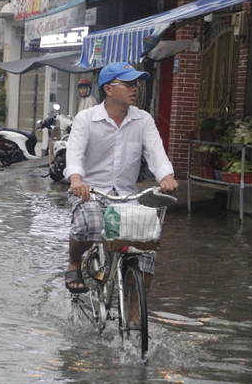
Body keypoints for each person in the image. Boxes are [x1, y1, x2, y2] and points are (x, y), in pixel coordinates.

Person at [64, 62, 179, 294]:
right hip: (91, 192)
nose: (134, 88)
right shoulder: (86, 118)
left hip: (127, 196)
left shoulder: (143, 119)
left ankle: (135, 318)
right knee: (91, 223)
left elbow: (156, 153)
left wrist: (167, 176)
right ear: (108, 88)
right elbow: (74, 154)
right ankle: (74, 262)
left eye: (135, 83)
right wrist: (76, 180)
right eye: (127, 84)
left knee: (148, 244)